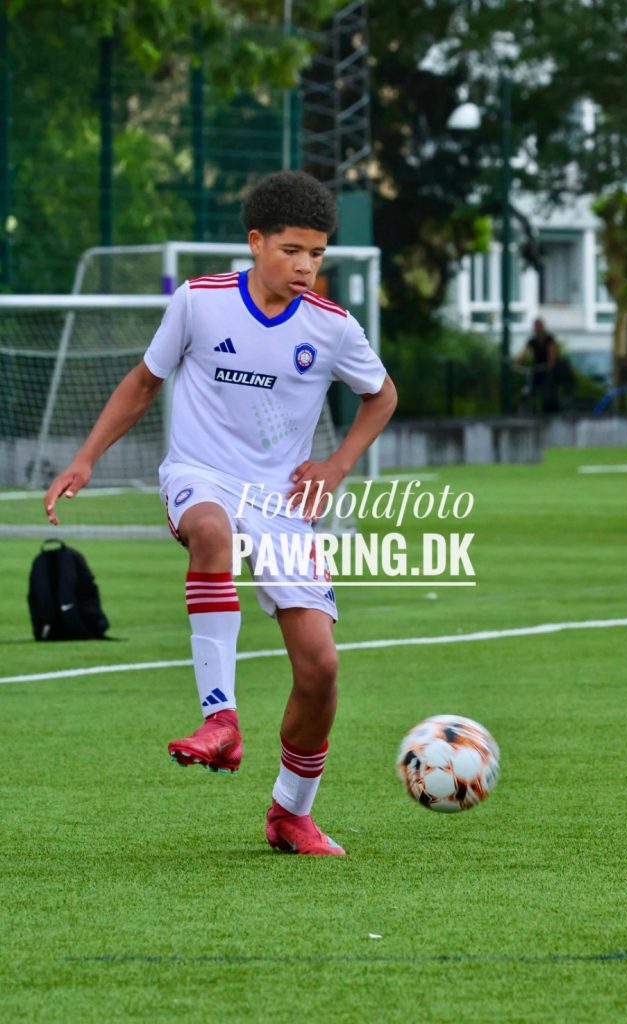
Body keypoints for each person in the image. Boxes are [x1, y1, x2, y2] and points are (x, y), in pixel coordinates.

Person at [44, 170, 397, 857]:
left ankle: (290, 814)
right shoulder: (199, 302)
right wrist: (85, 459)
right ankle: (220, 718)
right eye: (292, 250)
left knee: (320, 669)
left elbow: (381, 395)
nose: (305, 266)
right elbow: (143, 382)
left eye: (317, 254)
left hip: (281, 504)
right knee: (212, 530)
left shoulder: (331, 327)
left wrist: (334, 467)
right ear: (256, 242)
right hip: (199, 475)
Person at [517, 317, 560, 413]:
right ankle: (529, 407)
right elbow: (524, 352)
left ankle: (548, 409)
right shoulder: (533, 340)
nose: (537, 328)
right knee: (528, 384)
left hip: (546, 369)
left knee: (547, 387)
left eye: (539, 326)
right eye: (536, 326)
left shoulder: (549, 339)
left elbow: (552, 353)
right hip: (536, 368)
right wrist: (518, 363)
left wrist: (550, 365)